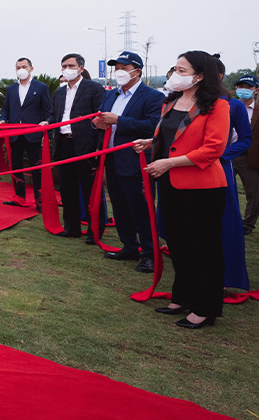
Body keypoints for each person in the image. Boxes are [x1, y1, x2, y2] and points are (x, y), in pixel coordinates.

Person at [134, 50, 230, 329]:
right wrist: (149, 143)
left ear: (199, 76)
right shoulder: (172, 100)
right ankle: (183, 296)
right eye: (175, 68)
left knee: (203, 247)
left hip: (202, 187)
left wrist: (168, 163)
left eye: (182, 70)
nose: (176, 74)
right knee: (177, 243)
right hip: (170, 183)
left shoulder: (217, 106)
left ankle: (206, 307)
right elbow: (172, 136)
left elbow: (212, 149)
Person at [93, 51, 164, 272]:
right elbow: (99, 119)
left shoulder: (153, 96)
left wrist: (119, 121)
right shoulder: (110, 95)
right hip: (112, 158)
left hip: (136, 160)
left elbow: (154, 126)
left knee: (141, 208)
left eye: (124, 68)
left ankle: (150, 253)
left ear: (137, 71)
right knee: (120, 205)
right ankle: (129, 246)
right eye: (116, 68)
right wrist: (97, 124)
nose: (119, 72)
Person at [45, 53, 105, 241]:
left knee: (89, 189)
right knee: (67, 188)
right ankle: (72, 227)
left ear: (81, 68)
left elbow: (101, 118)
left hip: (85, 145)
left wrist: (97, 146)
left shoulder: (94, 89)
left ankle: (95, 229)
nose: (67, 69)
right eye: (64, 66)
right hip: (64, 144)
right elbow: (55, 116)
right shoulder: (59, 92)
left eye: (71, 66)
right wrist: (46, 123)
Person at [214, 58, 250, 290]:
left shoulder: (233, 105)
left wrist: (221, 154)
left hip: (219, 169)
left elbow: (245, 139)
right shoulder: (186, 102)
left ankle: (229, 276)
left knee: (225, 222)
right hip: (187, 168)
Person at [0, 57, 51, 209]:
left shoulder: (41, 87)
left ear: (31, 68)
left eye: (23, 66)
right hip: (15, 134)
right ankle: (19, 197)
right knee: (16, 167)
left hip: (33, 134)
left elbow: (47, 110)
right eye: (18, 67)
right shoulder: (11, 89)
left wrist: (46, 123)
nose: (20, 69)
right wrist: (3, 120)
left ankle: (39, 201)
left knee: (36, 168)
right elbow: (6, 109)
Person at [233, 74, 259, 235]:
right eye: (241, 87)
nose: (244, 90)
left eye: (248, 87)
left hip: (249, 157)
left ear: (256, 90)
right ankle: (225, 219)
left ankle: (247, 224)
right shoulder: (229, 106)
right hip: (226, 153)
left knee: (252, 193)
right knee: (223, 189)